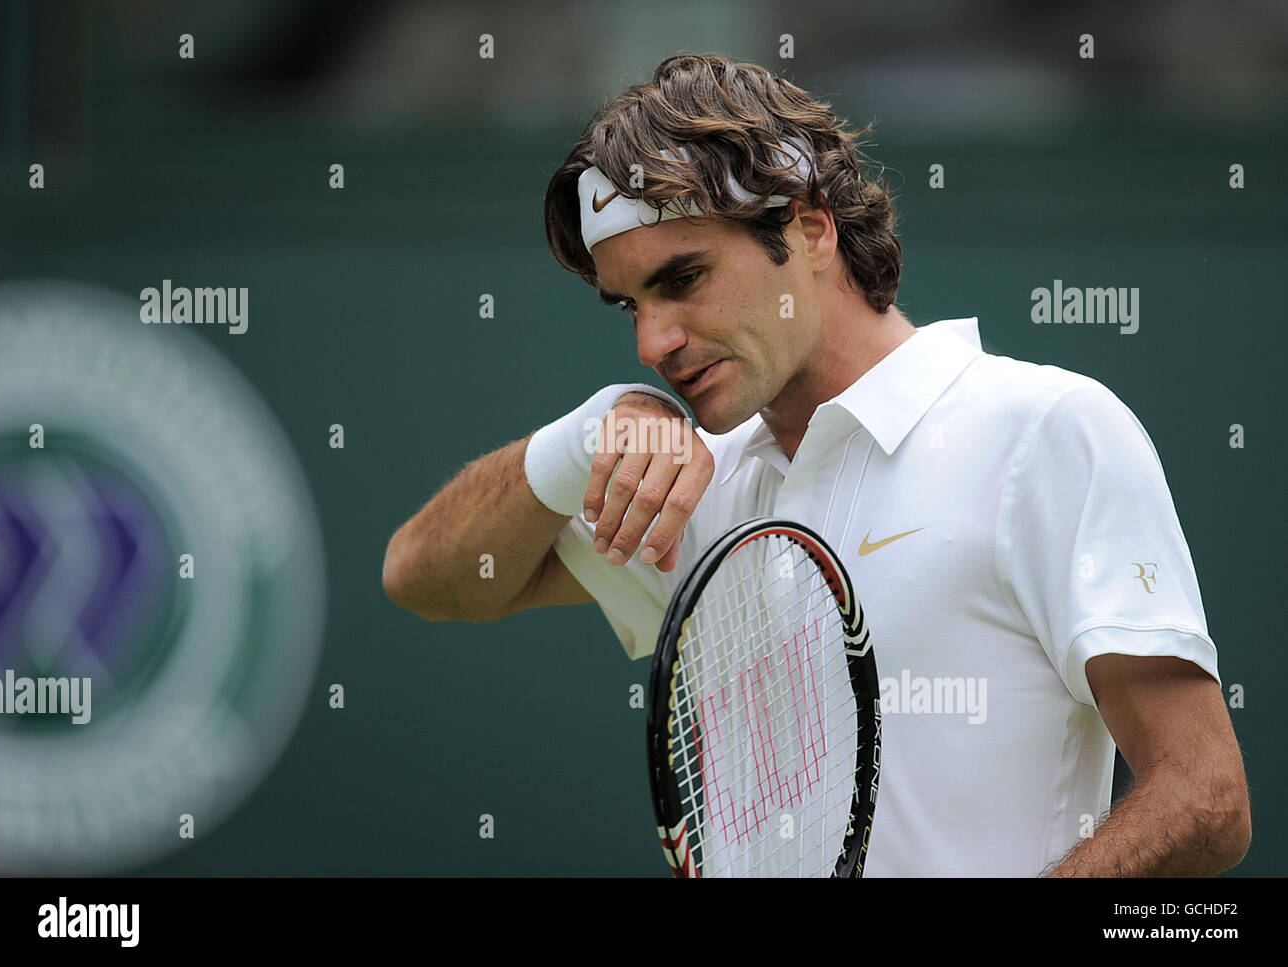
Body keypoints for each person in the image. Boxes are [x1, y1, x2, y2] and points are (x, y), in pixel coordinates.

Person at [383, 53, 1250, 876]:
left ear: (809, 228)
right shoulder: (693, 486)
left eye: (683, 278)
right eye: (629, 304)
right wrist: (590, 431)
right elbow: (425, 576)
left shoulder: (1047, 431)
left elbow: (1206, 797)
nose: (653, 341)